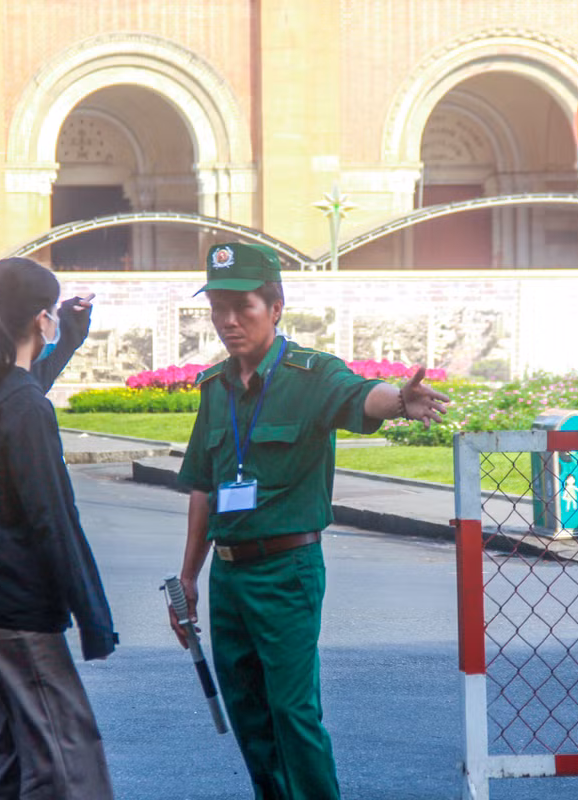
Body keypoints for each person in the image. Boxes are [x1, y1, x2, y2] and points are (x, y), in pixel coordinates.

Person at [168, 242, 449, 800]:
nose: (228, 321)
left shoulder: (310, 375)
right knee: (248, 714)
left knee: (293, 712)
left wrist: (399, 401)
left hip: (286, 569)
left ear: (275, 308)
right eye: (219, 308)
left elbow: (361, 396)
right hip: (227, 575)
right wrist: (188, 576)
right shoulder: (216, 387)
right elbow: (203, 485)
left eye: (242, 307)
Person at [0, 256, 118, 800]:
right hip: (14, 605)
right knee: (67, 756)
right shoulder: (24, 409)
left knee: (8, 746)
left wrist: (70, 334)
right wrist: (94, 619)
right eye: (52, 317)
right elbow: (53, 520)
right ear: (41, 319)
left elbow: (23, 383)